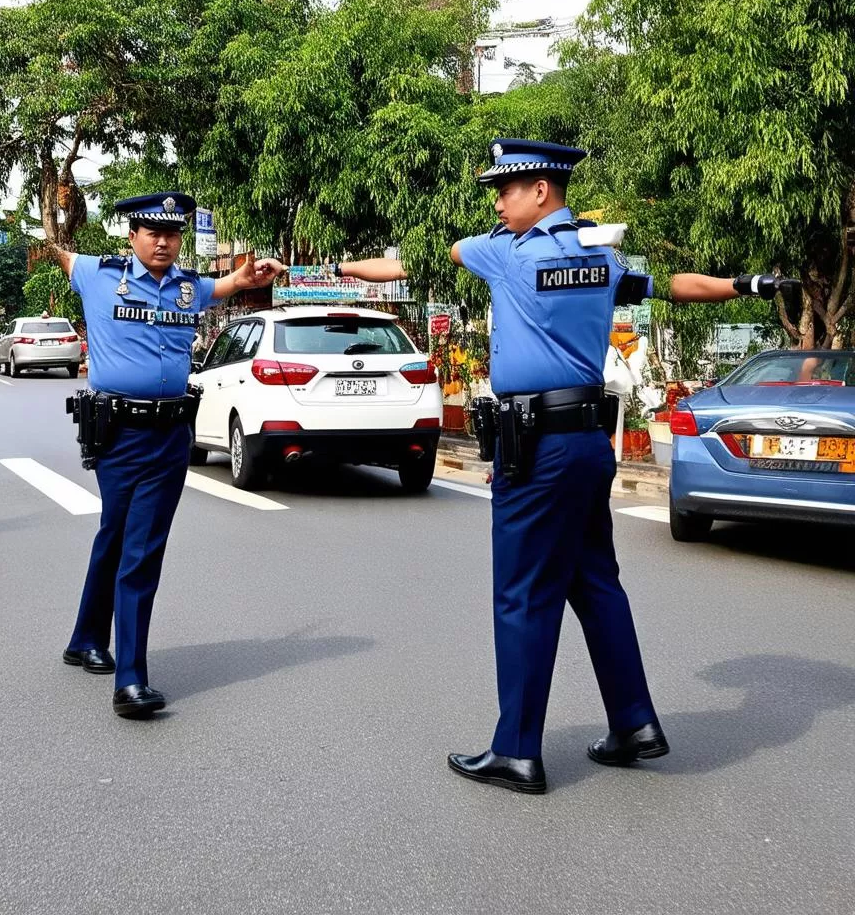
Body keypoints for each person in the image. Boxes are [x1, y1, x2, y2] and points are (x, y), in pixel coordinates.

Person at [334, 138, 798, 793]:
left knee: (522, 593)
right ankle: (635, 723)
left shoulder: (506, 251)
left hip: (535, 445)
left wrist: (353, 266)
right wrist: (748, 285)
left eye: (505, 189)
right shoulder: (600, 257)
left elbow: (446, 253)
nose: (497, 201)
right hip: (586, 445)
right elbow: (671, 290)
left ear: (541, 191)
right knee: (594, 580)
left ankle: (517, 751)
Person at [48, 192, 284, 719]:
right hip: (117, 433)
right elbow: (55, 250)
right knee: (122, 536)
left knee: (138, 544)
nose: (163, 241)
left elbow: (229, 285)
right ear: (131, 236)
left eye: (172, 233)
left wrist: (247, 277)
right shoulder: (96, 273)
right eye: (152, 232)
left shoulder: (188, 288)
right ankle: (126, 677)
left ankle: (94, 645)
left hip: (170, 434)